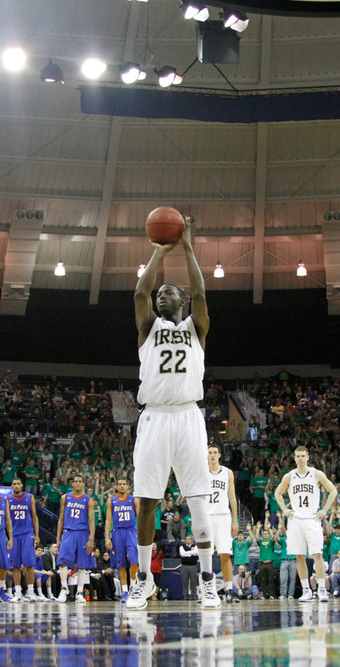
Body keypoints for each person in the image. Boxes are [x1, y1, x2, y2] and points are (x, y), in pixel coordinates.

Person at [128, 219, 220, 611]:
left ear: (180, 300)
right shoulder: (148, 327)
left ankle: (207, 580)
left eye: (169, 292)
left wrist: (187, 248)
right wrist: (160, 251)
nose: (162, 295)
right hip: (154, 417)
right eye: (160, 292)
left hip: (188, 417)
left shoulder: (195, 328)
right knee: (147, 500)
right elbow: (139, 292)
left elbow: (200, 291)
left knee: (198, 499)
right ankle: (143, 581)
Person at [274, 445, 337, 603]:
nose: (300, 458)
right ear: (294, 458)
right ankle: (306, 590)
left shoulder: (317, 474)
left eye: (303, 456)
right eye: (298, 456)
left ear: (308, 457)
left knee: (317, 555)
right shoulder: (289, 476)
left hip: (312, 519)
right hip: (295, 521)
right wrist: (284, 509)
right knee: (299, 556)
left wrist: (324, 510)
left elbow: (333, 491)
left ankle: (322, 590)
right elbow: (278, 493)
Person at [206, 444, 239, 600]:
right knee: (206, 556)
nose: (212, 455)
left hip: (224, 516)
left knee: (225, 555)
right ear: (206, 456)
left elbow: (232, 497)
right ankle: (209, 589)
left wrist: (235, 519)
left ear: (219, 455)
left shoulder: (228, 473)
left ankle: (228, 589)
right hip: (207, 517)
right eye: (210, 453)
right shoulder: (201, 472)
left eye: (214, 452)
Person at [56, 474, 96, 603]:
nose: (78, 483)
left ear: (83, 484)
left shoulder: (88, 499)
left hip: (83, 533)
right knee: (62, 561)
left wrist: (91, 538)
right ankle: (64, 588)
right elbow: (61, 518)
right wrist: (58, 538)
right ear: (72, 483)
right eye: (76, 481)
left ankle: (79, 592)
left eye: (80, 481)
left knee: (82, 565)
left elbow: (91, 520)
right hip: (68, 531)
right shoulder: (65, 497)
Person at [105, 477, 139, 603]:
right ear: (116, 486)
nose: (122, 486)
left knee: (135, 561)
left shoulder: (133, 500)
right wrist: (107, 537)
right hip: (117, 532)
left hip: (131, 531)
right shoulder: (112, 501)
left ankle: (133, 588)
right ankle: (125, 592)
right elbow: (108, 520)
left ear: (128, 486)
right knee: (121, 564)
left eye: (124, 484)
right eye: (120, 484)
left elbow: (140, 519)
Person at [8, 477, 40, 602]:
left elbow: (34, 516)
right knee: (15, 565)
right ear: (11, 486)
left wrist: (36, 534)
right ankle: (17, 593)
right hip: (14, 534)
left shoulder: (29, 497)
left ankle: (31, 592)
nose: (16, 486)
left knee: (29, 564)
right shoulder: (7, 499)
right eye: (14, 484)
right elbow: (6, 519)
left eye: (18, 484)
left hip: (27, 533)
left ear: (22, 485)